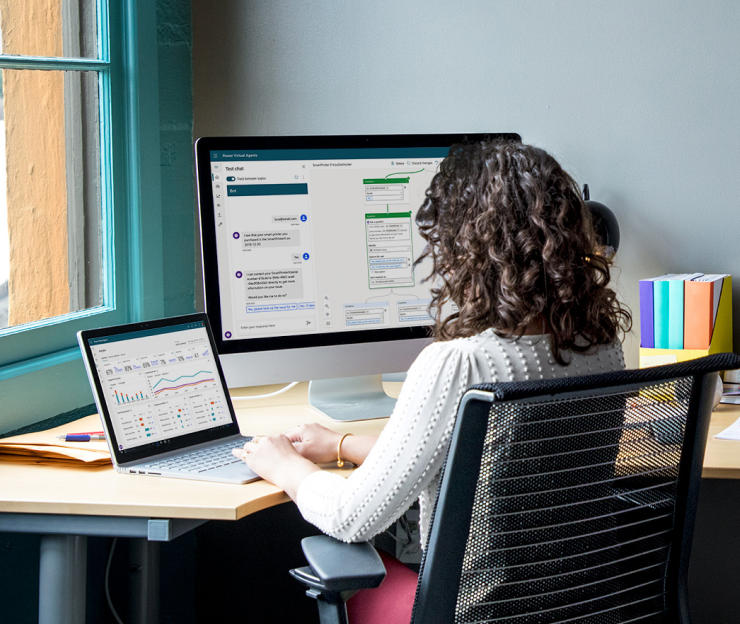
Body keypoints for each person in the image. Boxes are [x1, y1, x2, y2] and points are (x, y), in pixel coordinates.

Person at [232, 140, 632, 623]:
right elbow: (493, 462)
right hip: (578, 608)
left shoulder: (459, 363)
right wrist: (342, 444)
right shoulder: (601, 345)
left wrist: (284, 466)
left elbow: (349, 518)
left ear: (467, 247)